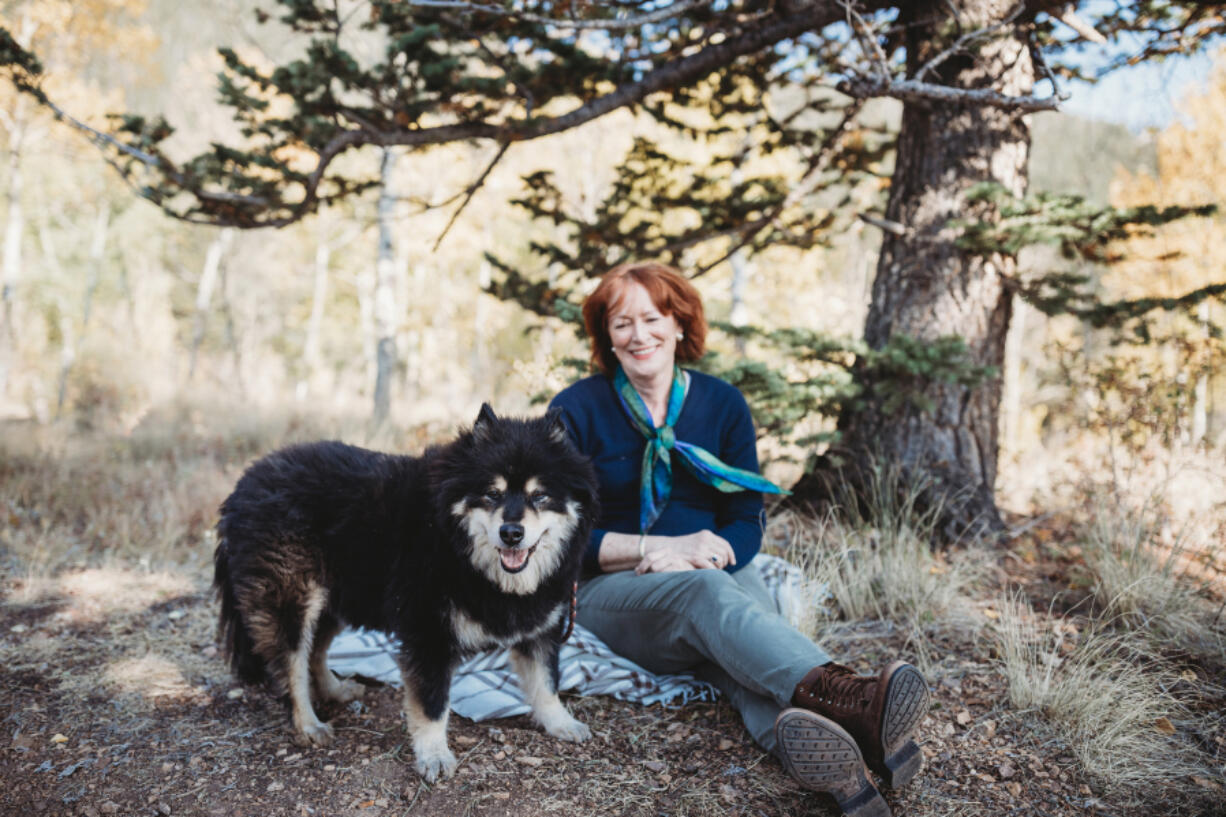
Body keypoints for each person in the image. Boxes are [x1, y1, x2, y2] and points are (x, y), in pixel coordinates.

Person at [548, 261, 929, 817]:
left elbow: (746, 518)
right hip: (614, 588)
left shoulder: (723, 405)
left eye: (652, 318)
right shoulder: (575, 410)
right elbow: (557, 536)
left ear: (680, 324)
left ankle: (842, 769)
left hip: (714, 568)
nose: (639, 335)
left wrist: (713, 551)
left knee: (730, 652)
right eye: (621, 322)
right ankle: (854, 698)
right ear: (607, 334)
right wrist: (658, 550)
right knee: (706, 597)